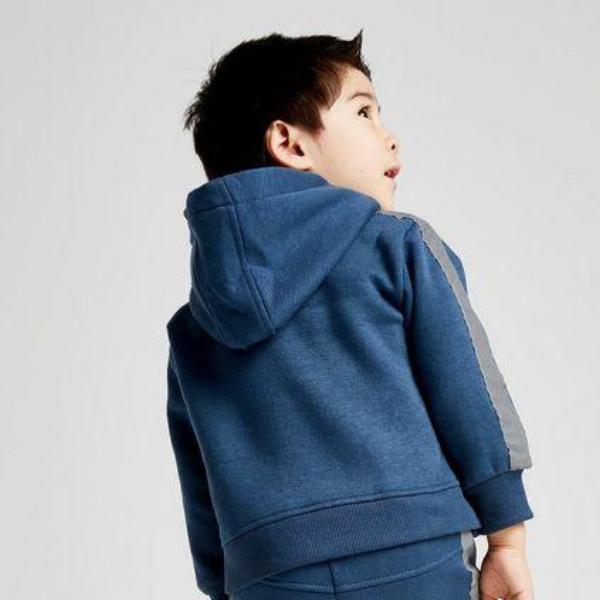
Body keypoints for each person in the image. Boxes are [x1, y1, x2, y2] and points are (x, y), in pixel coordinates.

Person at [165, 30, 535, 599]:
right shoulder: (400, 245)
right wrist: (507, 540)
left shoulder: (195, 325)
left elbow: (199, 475)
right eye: (364, 111)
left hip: (267, 574)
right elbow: (470, 394)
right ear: (290, 144)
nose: (390, 137)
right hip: (413, 550)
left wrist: (224, 582)